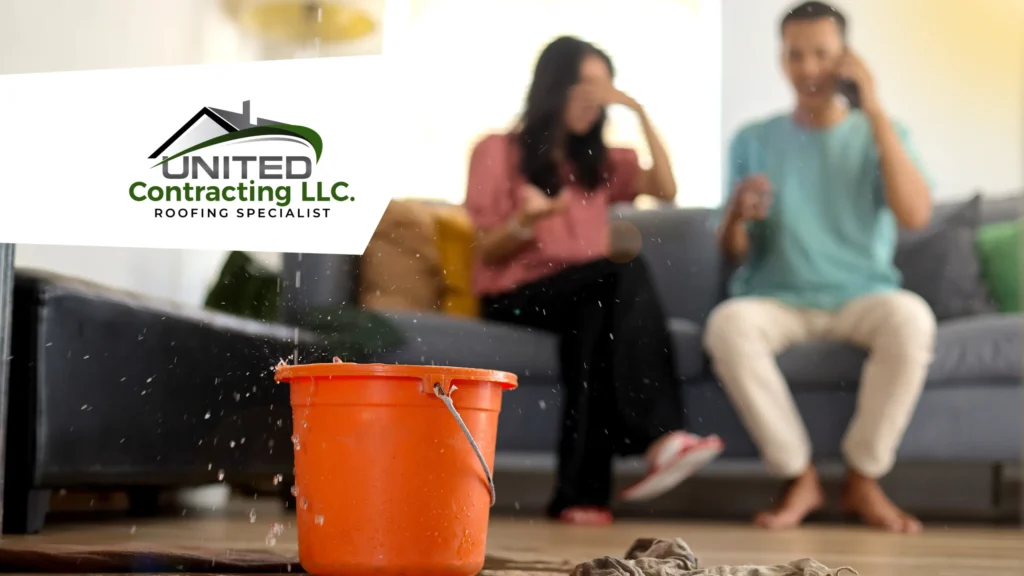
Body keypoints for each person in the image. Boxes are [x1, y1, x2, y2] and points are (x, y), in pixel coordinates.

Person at [464, 36, 724, 526]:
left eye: (603, 89)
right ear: (554, 86)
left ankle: (580, 498)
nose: (594, 98)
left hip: (586, 293)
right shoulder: (497, 150)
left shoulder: (601, 163)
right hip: (514, 296)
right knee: (619, 272)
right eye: (584, 85)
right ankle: (660, 436)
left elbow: (666, 190)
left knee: (596, 323)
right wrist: (527, 222)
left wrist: (640, 112)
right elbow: (485, 251)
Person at [703, 1, 935, 534]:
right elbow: (732, 249)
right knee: (728, 325)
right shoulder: (754, 139)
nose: (808, 68)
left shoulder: (881, 131)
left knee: (912, 319)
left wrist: (873, 110)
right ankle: (799, 476)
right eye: (795, 55)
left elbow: (916, 214)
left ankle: (863, 479)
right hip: (777, 296)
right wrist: (737, 212)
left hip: (862, 294)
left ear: (846, 58)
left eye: (821, 54)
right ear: (781, 59)